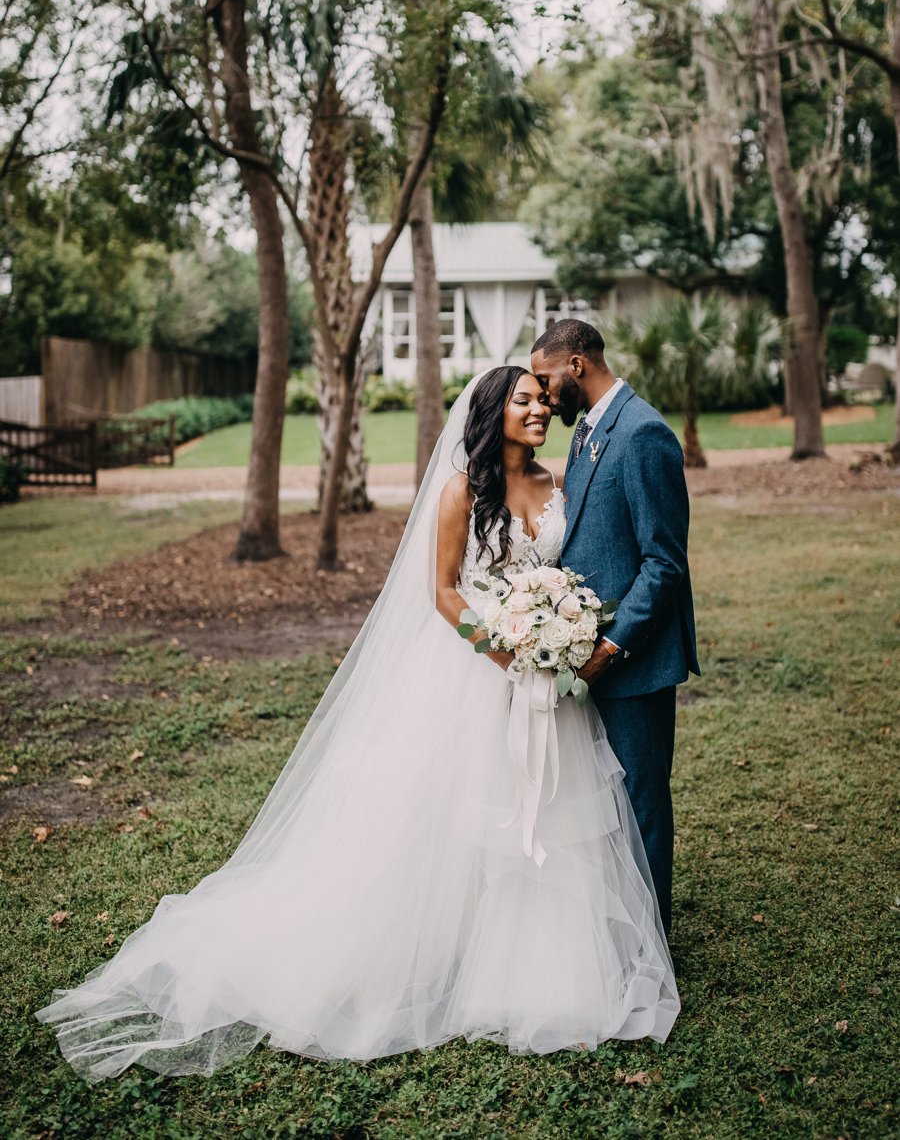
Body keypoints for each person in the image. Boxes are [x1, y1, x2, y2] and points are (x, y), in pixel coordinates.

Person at [35, 366, 678, 1081]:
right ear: (493, 412)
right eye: (522, 400)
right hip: (481, 675)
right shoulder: (462, 490)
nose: (538, 409)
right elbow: (442, 593)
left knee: (552, 820)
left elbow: (562, 576)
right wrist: (506, 651)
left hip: (546, 687)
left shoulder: (557, 484)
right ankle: (433, 947)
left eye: (541, 399)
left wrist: (556, 632)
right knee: (463, 814)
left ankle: (537, 969)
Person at [531, 320, 700, 935]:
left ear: (576, 364)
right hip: (585, 654)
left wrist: (609, 646)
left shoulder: (644, 432)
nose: (545, 395)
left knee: (642, 802)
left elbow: (663, 563)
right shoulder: (588, 433)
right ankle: (613, 927)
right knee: (602, 801)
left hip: (633, 658)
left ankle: (651, 945)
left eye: (547, 379)